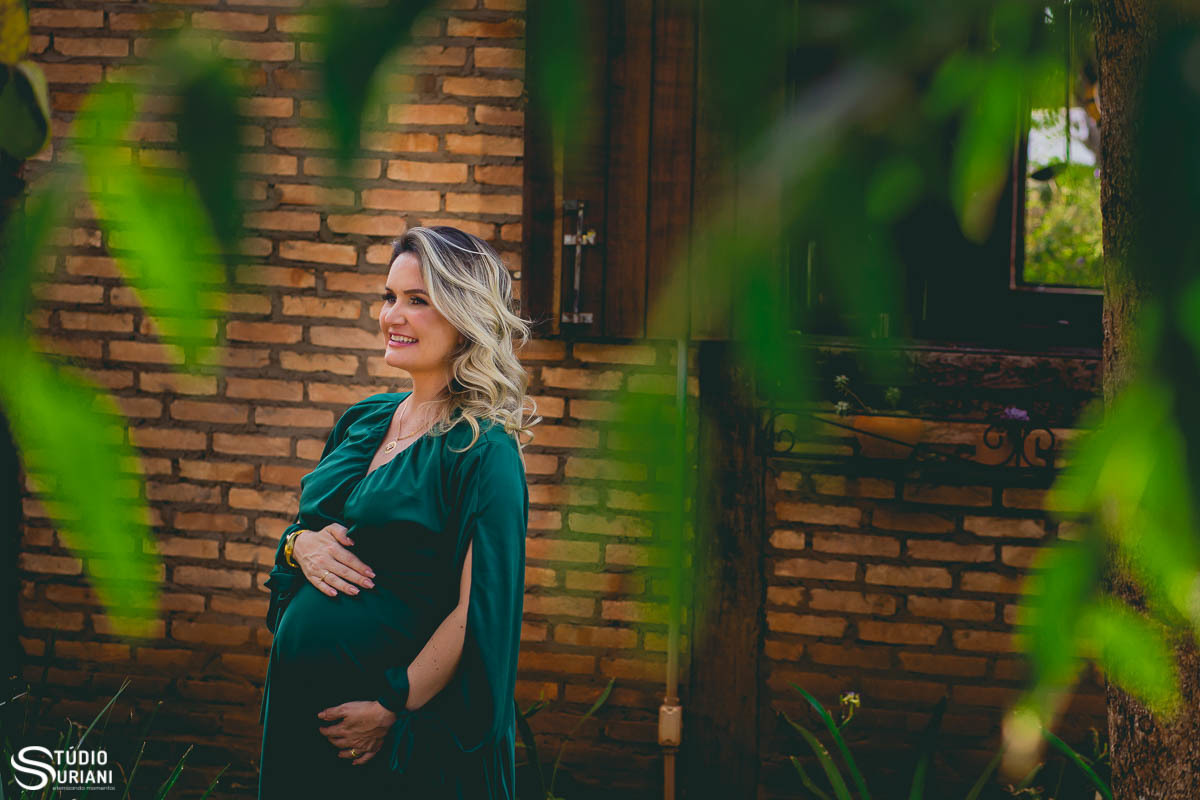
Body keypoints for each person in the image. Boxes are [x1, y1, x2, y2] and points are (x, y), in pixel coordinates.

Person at [257, 226, 540, 798]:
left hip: (393, 733)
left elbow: (477, 608)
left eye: (418, 301)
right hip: (299, 709)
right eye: (389, 297)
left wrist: (392, 703)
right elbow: (310, 532)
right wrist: (297, 545)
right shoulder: (364, 419)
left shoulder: (484, 450)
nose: (393, 315)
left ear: (465, 319)